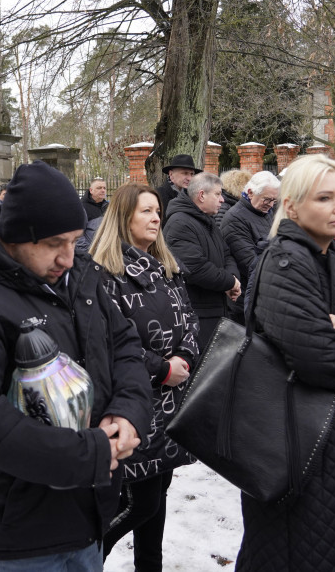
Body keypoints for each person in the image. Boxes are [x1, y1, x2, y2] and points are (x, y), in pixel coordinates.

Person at [0, 160, 151, 570]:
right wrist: (88, 454)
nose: (68, 257)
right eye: (53, 244)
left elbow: (124, 346)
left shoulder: (81, 275)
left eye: (75, 241)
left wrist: (128, 413)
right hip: (18, 528)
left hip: (88, 511)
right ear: (15, 237)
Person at [236, 154, 335, 570]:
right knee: (300, 550)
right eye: (324, 198)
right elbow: (315, 357)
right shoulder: (285, 263)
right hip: (298, 440)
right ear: (291, 206)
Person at [90, 182, 199, 572]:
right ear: (124, 217)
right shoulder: (105, 275)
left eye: (158, 211)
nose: (156, 217)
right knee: (140, 502)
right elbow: (110, 342)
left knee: (158, 501)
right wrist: (163, 368)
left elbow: (189, 319)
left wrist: (184, 356)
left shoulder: (165, 265)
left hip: (171, 406)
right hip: (132, 407)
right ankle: (81, 559)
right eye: (146, 211)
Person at [163, 172, 240, 347]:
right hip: (199, 315)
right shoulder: (180, 223)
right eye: (218, 194)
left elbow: (226, 254)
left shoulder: (207, 220)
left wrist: (233, 279)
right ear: (201, 195)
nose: (222, 200)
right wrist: (229, 282)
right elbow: (194, 268)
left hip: (217, 309)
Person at [221, 170, 280, 323]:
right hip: (246, 300)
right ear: (250, 192)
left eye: (274, 200)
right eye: (267, 199)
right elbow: (250, 263)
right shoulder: (234, 218)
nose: (271, 205)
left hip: (264, 293)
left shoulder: (265, 212)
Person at [157, 154, 200, 221]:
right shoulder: (159, 195)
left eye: (192, 174)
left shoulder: (193, 196)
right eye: (185, 173)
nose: (189, 178)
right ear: (171, 174)